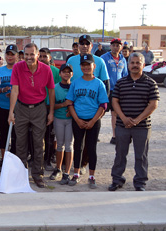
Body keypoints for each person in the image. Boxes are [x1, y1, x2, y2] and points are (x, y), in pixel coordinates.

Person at [109, 52, 160, 192]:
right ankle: (117, 179)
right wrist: (124, 118)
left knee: (141, 155)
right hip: (122, 125)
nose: (135, 65)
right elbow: (115, 101)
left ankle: (140, 182)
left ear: (144, 65)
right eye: (132, 63)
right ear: (128, 64)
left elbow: (153, 104)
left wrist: (137, 120)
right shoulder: (121, 83)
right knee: (120, 154)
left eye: (138, 63)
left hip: (142, 127)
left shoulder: (151, 83)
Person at [8, 43, 56, 188]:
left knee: (38, 144)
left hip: (39, 109)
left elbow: (51, 91)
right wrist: (11, 111)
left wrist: (51, 112)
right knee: (20, 144)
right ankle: (21, 175)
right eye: (26, 54)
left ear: (37, 55)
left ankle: (38, 175)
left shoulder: (46, 69)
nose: (29, 57)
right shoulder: (17, 67)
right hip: (21, 108)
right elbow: (14, 90)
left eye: (31, 54)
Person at [66, 35, 110, 176]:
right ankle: (75, 170)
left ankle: (86, 166)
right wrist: (69, 107)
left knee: (90, 144)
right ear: (78, 45)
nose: (84, 46)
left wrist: (101, 111)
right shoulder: (71, 60)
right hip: (76, 108)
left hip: (94, 109)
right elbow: (67, 81)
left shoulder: (99, 61)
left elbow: (105, 85)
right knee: (76, 143)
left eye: (87, 43)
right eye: (81, 43)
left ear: (92, 46)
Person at [0, 44, 18, 170]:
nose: (10, 57)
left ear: (17, 56)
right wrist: (3, 90)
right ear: (5, 55)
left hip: (18, 107)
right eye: (8, 54)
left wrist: (14, 94)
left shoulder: (21, 69)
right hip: (1, 106)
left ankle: (14, 160)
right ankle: (4, 159)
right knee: (3, 133)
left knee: (16, 135)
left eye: (13, 54)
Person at [49, 64, 74, 184]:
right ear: (60, 74)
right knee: (59, 144)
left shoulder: (74, 86)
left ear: (72, 74)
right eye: (64, 72)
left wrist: (71, 109)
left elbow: (78, 102)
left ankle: (67, 172)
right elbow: (50, 105)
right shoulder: (55, 88)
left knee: (69, 145)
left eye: (69, 72)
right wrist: (65, 105)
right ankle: (58, 168)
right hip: (59, 118)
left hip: (71, 120)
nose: (66, 74)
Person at [101, 38, 128, 145]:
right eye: (114, 45)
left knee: (115, 113)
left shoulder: (123, 59)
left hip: (118, 90)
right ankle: (93, 132)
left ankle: (115, 136)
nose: (116, 47)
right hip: (107, 89)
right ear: (110, 46)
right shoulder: (104, 58)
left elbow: (125, 74)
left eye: (118, 45)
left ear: (121, 47)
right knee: (101, 111)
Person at [39, 47, 61, 171]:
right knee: (35, 135)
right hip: (37, 107)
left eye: (44, 56)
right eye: (40, 56)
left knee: (49, 136)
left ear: (49, 58)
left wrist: (53, 110)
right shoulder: (34, 70)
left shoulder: (55, 72)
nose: (42, 59)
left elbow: (57, 90)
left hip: (50, 107)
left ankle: (47, 159)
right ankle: (35, 159)